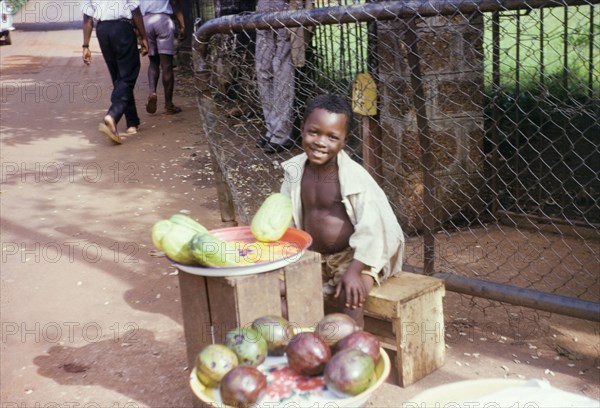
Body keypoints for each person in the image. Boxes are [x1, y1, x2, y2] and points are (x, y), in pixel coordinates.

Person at [280, 94, 405, 328]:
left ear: (344, 141)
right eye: (313, 132)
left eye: (332, 137)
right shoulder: (295, 171)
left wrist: (355, 271)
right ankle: (303, 342)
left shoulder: (353, 177)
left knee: (350, 293)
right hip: (312, 254)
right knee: (278, 288)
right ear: (302, 129)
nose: (320, 142)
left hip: (355, 254)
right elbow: (287, 216)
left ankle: (351, 348)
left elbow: (372, 230)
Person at [82, 0, 148, 144]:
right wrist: (143, 36)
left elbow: (87, 18)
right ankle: (113, 115)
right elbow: (135, 11)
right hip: (122, 28)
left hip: (103, 31)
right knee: (128, 73)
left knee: (118, 75)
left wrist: (86, 45)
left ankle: (132, 122)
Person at [254, 0, 297, 154]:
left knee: (281, 68)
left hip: (286, 7)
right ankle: (271, 128)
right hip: (263, 8)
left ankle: (282, 133)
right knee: (263, 69)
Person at [140, 0, 185, 115]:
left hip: (146, 22)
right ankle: (168, 105)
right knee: (167, 66)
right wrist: (182, 25)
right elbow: (175, 3)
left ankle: (152, 92)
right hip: (163, 21)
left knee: (153, 62)